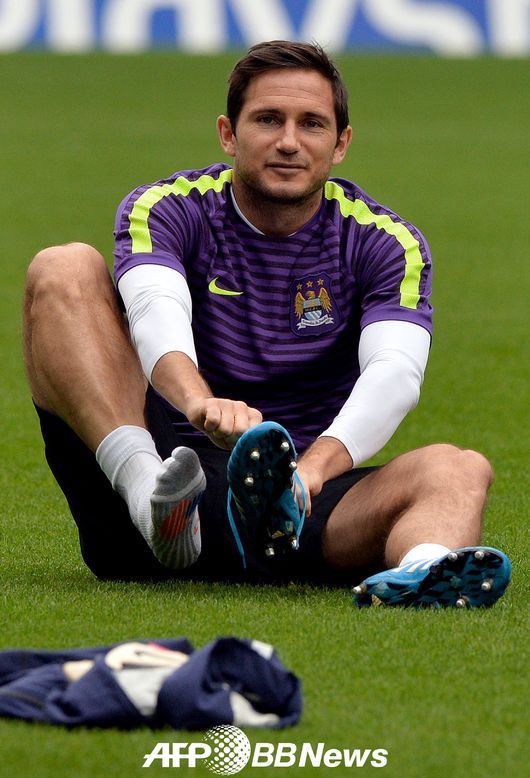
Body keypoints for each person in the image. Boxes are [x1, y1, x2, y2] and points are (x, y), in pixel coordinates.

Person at [23, 40, 511, 607]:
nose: (289, 142)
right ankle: (150, 506)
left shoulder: (384, 243)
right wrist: (199, 404)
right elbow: (157, 311)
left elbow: (395, 372)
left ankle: (423, 571)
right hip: (168, 472)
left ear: (341, 143)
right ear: (229, 134)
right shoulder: (168, 208)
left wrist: (309, 474)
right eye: (268, 119)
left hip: (295, 510)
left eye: (312, 124)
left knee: (459, 468)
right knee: (62, 268)